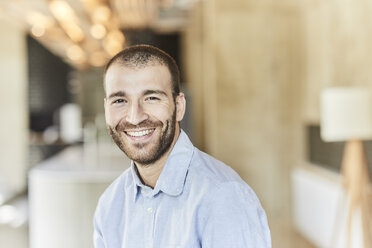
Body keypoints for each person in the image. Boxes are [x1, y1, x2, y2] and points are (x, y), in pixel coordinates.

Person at [93, 44, 271, 248]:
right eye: (120, 100)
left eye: (151, 98)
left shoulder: (223, 197)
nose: (134, 117)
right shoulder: (109, 205)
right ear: (106, 108)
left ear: (179, 107)